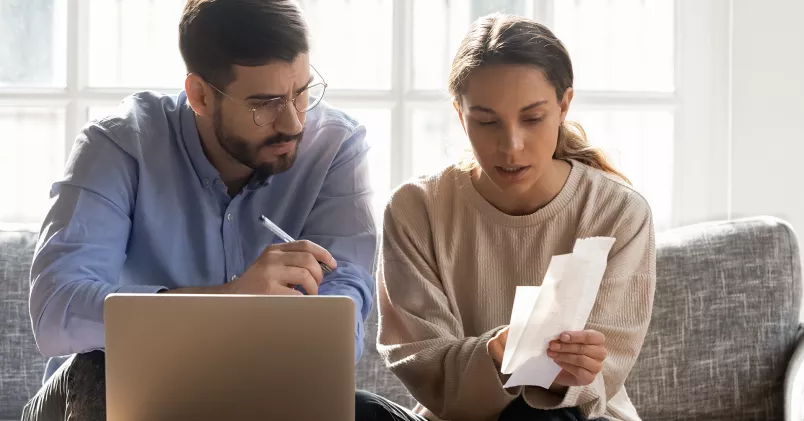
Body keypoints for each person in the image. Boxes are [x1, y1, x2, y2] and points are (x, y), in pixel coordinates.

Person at [21, 0, 418, 420]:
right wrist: (230, 301)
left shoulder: (336, 147)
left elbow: (345, 302)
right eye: (264, 103)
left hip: (253, 390)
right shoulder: (119, 145)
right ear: (200, 95)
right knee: (98, 370)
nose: (293, 123)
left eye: (301, 93)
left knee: (371, 413)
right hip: (101, 394)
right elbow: (56, 310)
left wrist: (300, 343)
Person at [375, 13, 656, 421]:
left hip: (572, 417)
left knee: (538, 415)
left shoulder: (619, 213)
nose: (511, 146)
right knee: (355, 409)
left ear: (563, 106)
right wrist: (493, 355)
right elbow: (421, 361)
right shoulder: (415, 209)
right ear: (459, 114)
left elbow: (601, 377)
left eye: (532, 118)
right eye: (486, 122)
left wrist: (569, 373)